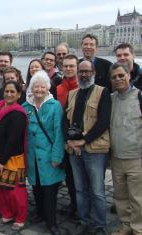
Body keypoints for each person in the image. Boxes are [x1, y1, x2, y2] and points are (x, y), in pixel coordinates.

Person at [64, 60, 111, 235]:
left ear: (93, 73)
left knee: (97, 190)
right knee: (80, 189)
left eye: (87, 71)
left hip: (95, 149)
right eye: (81, 71)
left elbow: (103, 122)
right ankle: (83, 220)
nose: (84, 74)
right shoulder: (72, 94)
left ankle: (99, 225)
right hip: (73, 150)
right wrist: (69, 141)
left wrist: (84, 140)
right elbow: (64, 120)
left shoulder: (103, 92)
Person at [23, 71, 65, 235]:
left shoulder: (55, 106)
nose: (39, 90)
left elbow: (58, 133)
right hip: (32, 157)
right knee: (37, 188)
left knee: (49, 191)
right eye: (36, 87)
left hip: (48, 156)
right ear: (31, 89)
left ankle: (51, 222)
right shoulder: (26, 107)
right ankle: (40, 214)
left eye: (42, 86)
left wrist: (57, 157)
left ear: (47, 88)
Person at [109, 62, 142, 235]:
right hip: (116, 157)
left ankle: (138, 229)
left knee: (138, 198)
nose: (118, 79)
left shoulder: (139, 96)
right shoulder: (111, 99)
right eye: (114, 77)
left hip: (136, 157)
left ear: (128, 74)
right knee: (120, 196)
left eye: (121, 75)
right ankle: (126, 226)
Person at [0, 81, 28, 231]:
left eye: (13, 92)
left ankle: (20, 217)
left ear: (19, 94)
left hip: (11, 157)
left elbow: (13, 140)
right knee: (0, 188)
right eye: (7, 91)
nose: (9, 94)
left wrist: (2, 161)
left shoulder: (18, 113)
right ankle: (6, 213)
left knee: (15, 191)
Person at [57, 54, 79, 219]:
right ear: (62, 68)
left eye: (72, 66)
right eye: (66, 66)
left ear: (77, 67)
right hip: (62, 137)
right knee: (70, 175)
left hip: (80, 138)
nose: (69, 68)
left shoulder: (83, 86)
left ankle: (83, 205)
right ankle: (73, 203)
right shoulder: (57, 88)